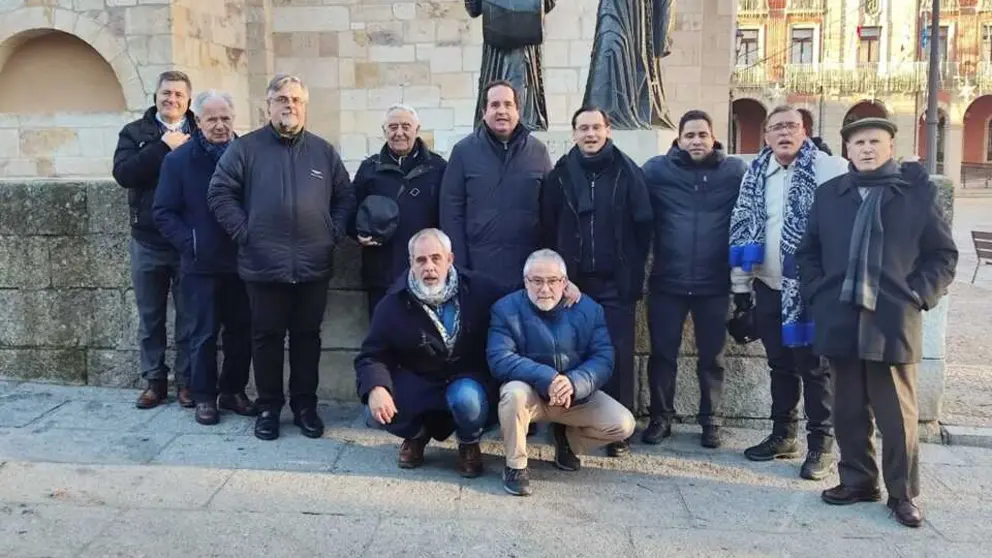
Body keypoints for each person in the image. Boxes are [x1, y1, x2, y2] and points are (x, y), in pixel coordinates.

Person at [797, 117, 958, 528]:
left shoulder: (915, 194)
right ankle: (858, 481)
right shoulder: (830, 194)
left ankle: (903, 494)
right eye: (859, 142)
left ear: (890, 146)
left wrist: (918, 295)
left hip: (891, 318)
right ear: (847, 150)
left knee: (897, 415)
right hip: (841, 315)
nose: (867, 148)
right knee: (847, 409)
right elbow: (808, 251)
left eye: (875, 141)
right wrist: (817, 291)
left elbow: (943, 255)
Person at [208, 74, 356, 441]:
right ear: (268, 106)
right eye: (282, 99)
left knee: (308, 338)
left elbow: (345, 197)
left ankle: (305, 406)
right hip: (263, 264)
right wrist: (246, 233)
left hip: (313, 263)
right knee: (266, 339)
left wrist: (332, 233)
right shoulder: (246, 149)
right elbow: (220, 193)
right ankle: (269, 407)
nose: (289, 105)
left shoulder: (323, 151)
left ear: (305, 106)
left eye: (296, 100)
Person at [729, 104, 848, 480]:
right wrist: (741, 287)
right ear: (766, 135)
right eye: (776, 127)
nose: (784, 132)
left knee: (815, 368)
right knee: (779, 364)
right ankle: (783, 435)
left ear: (804, 131)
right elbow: (743, 226)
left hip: (810, 289)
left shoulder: (828, 168)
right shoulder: (755, 174)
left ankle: (821, 445)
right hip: (767, 284)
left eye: (792, 126)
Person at [539, 106, 652, 457]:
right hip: (572, 285)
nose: (590, 134)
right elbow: (547, 226)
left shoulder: (628, 172)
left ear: (608, 130)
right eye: (583, 128)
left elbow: (643, 226)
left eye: (596, 127)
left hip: (616, 283)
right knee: (568, 355)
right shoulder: (559, 175)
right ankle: (565, 426)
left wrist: (630, 269)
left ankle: (617, 431)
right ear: (574, 133)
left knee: (618, 354)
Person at [355, 228, 505, 476]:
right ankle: (416, 436)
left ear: (450, 259)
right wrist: (376, 388)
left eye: (436, 258)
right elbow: (372, 354)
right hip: (419, 382)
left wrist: (561, 286)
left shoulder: (479, 289)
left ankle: (469, 442)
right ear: (411, 263)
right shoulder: (392, 303)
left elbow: (521, 297)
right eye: (421, 260)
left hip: (466, 380)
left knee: (467, 400)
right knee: (373, 411)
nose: (429, 267)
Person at [488, 249, 636, 496]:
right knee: (513, 395)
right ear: (526, 281)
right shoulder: (505, 309)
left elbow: (603, 358)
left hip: (573, 397)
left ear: (564, 282)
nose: (544, 289)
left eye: (553, 281)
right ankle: (516, 466)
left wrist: (574, 383)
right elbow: (499, 358)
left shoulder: (589, 309)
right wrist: (549, 378)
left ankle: (567, 442)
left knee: (623, 424)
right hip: (531, 393)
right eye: (537, 281)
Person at [641, 110, 747, 448]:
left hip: (714, 284)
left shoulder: (734, 172)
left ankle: (711, 420)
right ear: (679, 139)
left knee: (712, 358)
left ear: (713, 137)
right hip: (667, 282)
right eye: (689, 135)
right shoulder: (657, 170)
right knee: (662, 356)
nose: (696, 141)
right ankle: (660, 417)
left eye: (702, 134)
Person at [152, 89, 257, 426]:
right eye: (212, 119)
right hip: (200, 264)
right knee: (203, 334)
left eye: (225, 118)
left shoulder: (249, 155)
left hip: (243, 260)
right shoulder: (179, 160)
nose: (220, 125)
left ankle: (233, 391)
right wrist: (192, 244)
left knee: (242, 332)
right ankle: (205, 397)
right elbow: (163, 211)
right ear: (197, 121)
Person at [112, 70, 197, 410]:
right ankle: (155, 382)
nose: (171, 99)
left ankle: (188, 382)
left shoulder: (200, 130)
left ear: (188, 101)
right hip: (147, 240)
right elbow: (124, 174)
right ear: (156, 96)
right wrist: (163, 147)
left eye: (178, 94)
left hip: (188, 241)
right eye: (166, 93)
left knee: (190, 317)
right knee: (151, 318)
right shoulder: (135, 132)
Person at [440, 80, 554, 294]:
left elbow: (549, 212)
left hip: (527, 273)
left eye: (508, 104)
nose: (501, 111)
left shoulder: (538, 152)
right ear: (484, 112)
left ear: (518, 111)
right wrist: (460, 267)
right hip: (478, 271)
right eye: (494, 105)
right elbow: (451, 213)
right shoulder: (463, 152)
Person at [350, 104, 447, 320]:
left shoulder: (438, 168)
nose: (399, 133)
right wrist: (358, 233)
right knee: (383, 333)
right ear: (384, 131)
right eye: (393, 127)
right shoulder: (369, 169)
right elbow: (350, 209)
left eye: (406, 126)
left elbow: (449, 215)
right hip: (380, 272)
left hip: (425, 272)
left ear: (417, 129)